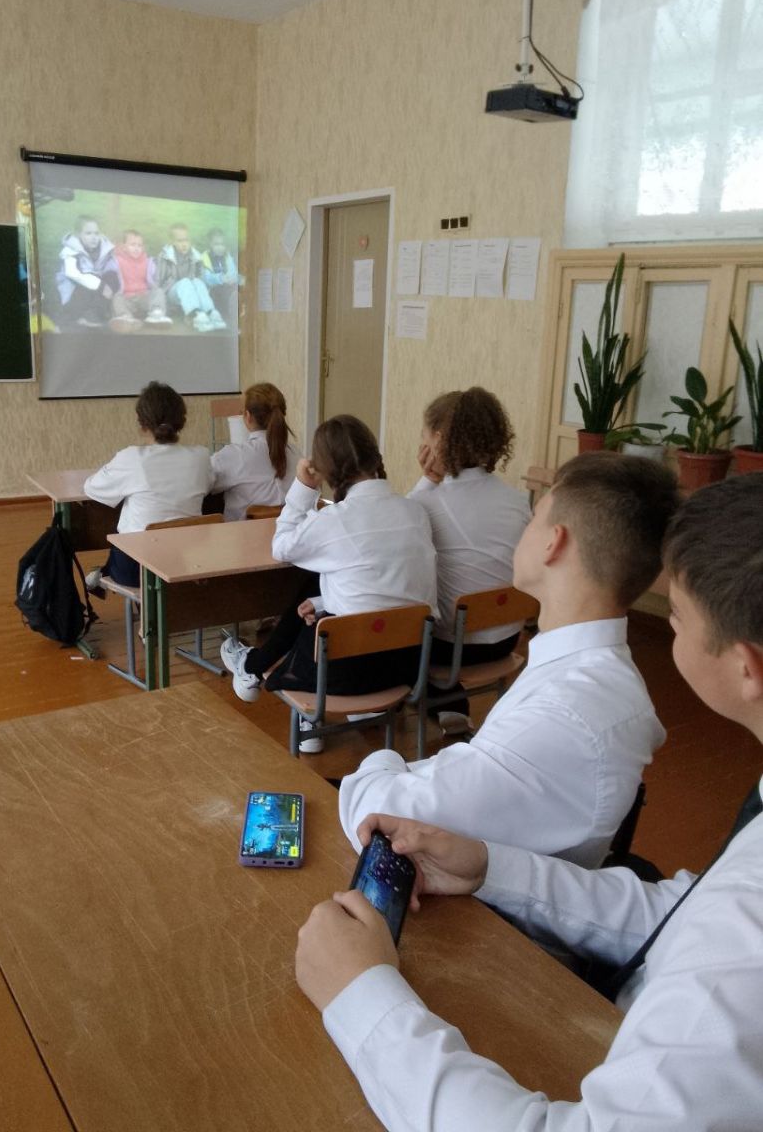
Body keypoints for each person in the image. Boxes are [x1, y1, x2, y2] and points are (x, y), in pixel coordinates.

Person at [295, 473, 763, 1131]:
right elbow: (682, 917)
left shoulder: (748, 929)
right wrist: (495, 867)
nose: (666, 626)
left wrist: (361, 998)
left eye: (677, 616)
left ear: (747, 668)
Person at [339, 452, 679, 868]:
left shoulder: (563, 712)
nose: (524, 530)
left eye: (533, 519)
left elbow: (378, 816)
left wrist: (384, 760)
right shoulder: (603, 676)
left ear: (554, 542)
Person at [220, 415, 437, 754]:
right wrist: (324, 603)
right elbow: (383, 583)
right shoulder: (415, 512)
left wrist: (304, 488)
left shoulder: (334, 519)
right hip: (404, 667)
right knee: (321, 593)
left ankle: (304, 714)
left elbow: (281, 547)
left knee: (316, 611)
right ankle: (275, 681)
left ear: (324, 469)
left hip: (342, 674)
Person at [409, 388, 531, 735]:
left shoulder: (427, 504)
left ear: (438, 439)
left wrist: (426, 481)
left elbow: (395, 534)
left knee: (391, 617)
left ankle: (443, 700)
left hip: (450, 649)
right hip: (506, 639)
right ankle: (449, 704)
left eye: (425, 434)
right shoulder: (517, 501)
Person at [83, 382, 212, 588]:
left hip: (137, 568)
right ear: (182, 421)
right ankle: (103, 571)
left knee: (126, 526)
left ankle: (103, 572)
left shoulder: (131, 458)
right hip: (188, 562)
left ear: (141, 423)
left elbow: (91, 488)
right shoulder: (201, 457)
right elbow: (210, 485)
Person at [210, 383, 299, 521]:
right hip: (291, 533)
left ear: (247, 416)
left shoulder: (234, 456)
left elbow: (201, 482)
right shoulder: (297, 454)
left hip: (242, 534)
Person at [157, 224, 227, 332]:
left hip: (191, 296)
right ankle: (195, 315)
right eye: (179, 241)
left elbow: (201, 279)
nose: (184, 244)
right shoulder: (165, 256)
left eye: (186, 240)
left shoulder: (195, 256)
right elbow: (159, 282)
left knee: (197, 281)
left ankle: (210, 312)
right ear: (172, 242)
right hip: (172, 295)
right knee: (185, 282)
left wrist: (196, 284)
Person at [55, 215, 118, 328]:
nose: (94, 237)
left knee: (113, 277)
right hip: (75, 291)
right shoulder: (70, 250)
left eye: (96, 233)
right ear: (78, 234)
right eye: (88, 233)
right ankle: (74, 315)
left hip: (97, 288)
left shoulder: (104, 247)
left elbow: (112, 266)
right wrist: (101, 285)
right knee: (91, 278)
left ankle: (95, 313)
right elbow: (72, 273)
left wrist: (109, 283)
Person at [109, 230, 171, 331]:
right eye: (133, 245)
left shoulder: (147, 261)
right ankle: (125, 318)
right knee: (116, 298)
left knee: (158, 291)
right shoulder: (117, 260)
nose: (136, 248)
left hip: (143, 297)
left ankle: (156, 314)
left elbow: (154, 278)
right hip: (126, 297)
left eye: (139, 245)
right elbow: (108, 271)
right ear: (124, 247)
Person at [200, 228, 243, 331]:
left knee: (236, 289)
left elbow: (233, 273)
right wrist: (220, 278)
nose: (220, 247)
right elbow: (206, 278)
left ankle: (237, 314)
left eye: (222, 244)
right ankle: (234, 322)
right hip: (212, 292)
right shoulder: (205, 257)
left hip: (227, 289)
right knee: (231, 293)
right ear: (210, 244)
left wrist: (238, 279)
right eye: (216, 244)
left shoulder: (227, 257)